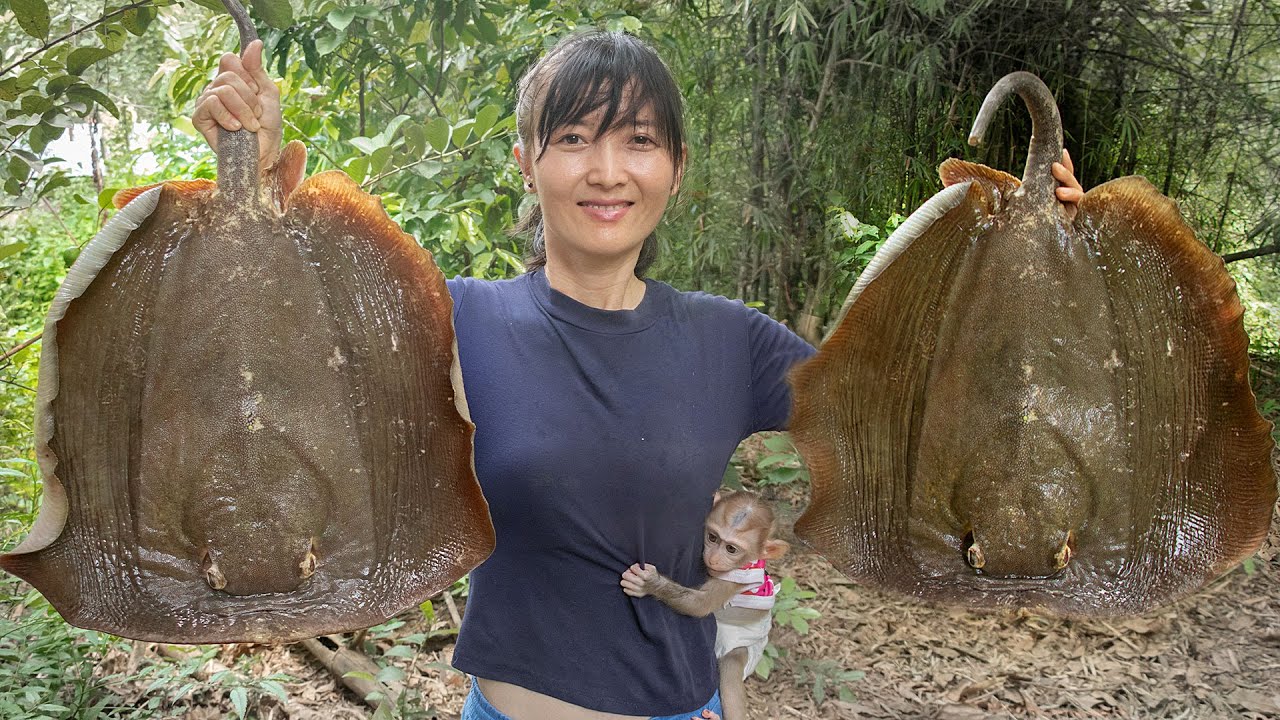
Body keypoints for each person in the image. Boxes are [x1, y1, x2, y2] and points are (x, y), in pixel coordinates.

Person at [193, 30, 1084, 720]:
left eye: (641, 141)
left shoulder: (730, 340)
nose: (607, 170)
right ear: (527, 161)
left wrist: (1036, 265)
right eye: (574, 137)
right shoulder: (454, 318)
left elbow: (919, 414)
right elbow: (282, 363)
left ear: (677, 169)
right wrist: (258, 178)